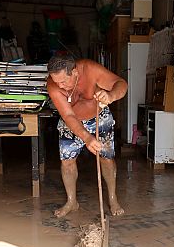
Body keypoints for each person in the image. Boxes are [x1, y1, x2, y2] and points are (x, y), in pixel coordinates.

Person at [46, 55, 128, 218]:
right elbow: (69, 116)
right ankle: (71, 202)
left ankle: (113, 199)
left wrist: (111, 96)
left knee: (106, 158)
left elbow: (121, 84)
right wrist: (87, 138)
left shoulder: (90, 70)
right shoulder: (53, 85)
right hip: (72, 122)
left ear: (74, 72)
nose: (60, 86)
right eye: (57, 82)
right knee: (67, 161)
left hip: (99, 116)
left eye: (63, 81)